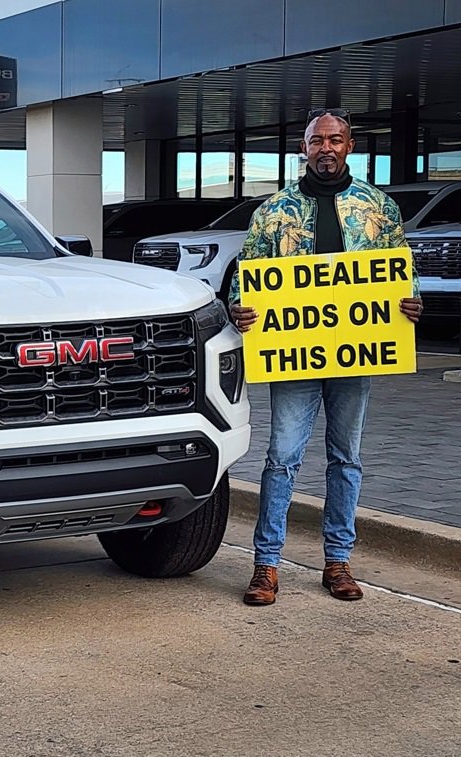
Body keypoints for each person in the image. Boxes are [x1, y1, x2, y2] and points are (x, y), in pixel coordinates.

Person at [229, 108, 422, 606]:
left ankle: (338, 562)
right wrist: (240, 308)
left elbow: (402, 271)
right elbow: (246, 274)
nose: (326, 149)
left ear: (350, 146)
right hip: (294, 355)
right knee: (282, 459)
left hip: (355, 356)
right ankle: (266, 566)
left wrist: (411, 302)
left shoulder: (378, 208)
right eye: (318, 141)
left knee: (347, 459)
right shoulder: (274, 212)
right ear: (305, 148)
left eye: (335, 140)